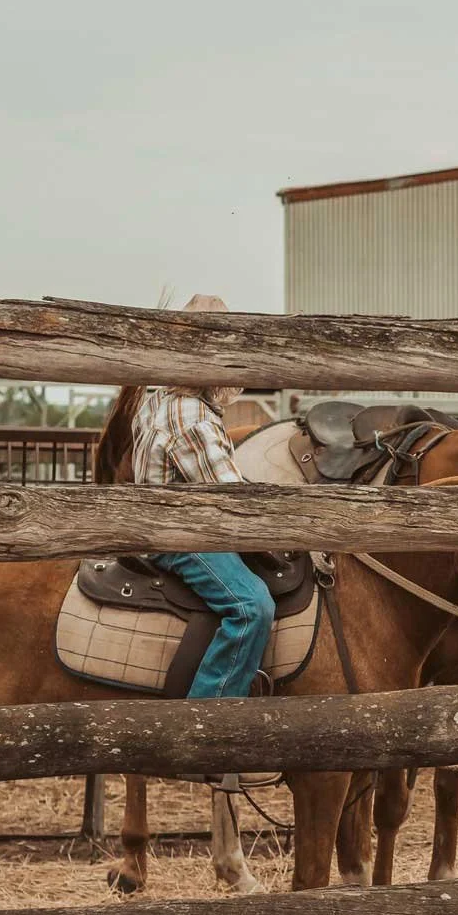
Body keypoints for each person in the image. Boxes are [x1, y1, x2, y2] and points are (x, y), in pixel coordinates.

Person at [128, 294, 273, 700]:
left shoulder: (157, 396)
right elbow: (233, 500)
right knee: (251, 606)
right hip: (180, 535)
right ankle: (205, 726)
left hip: (172, 522)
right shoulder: (190, 417)